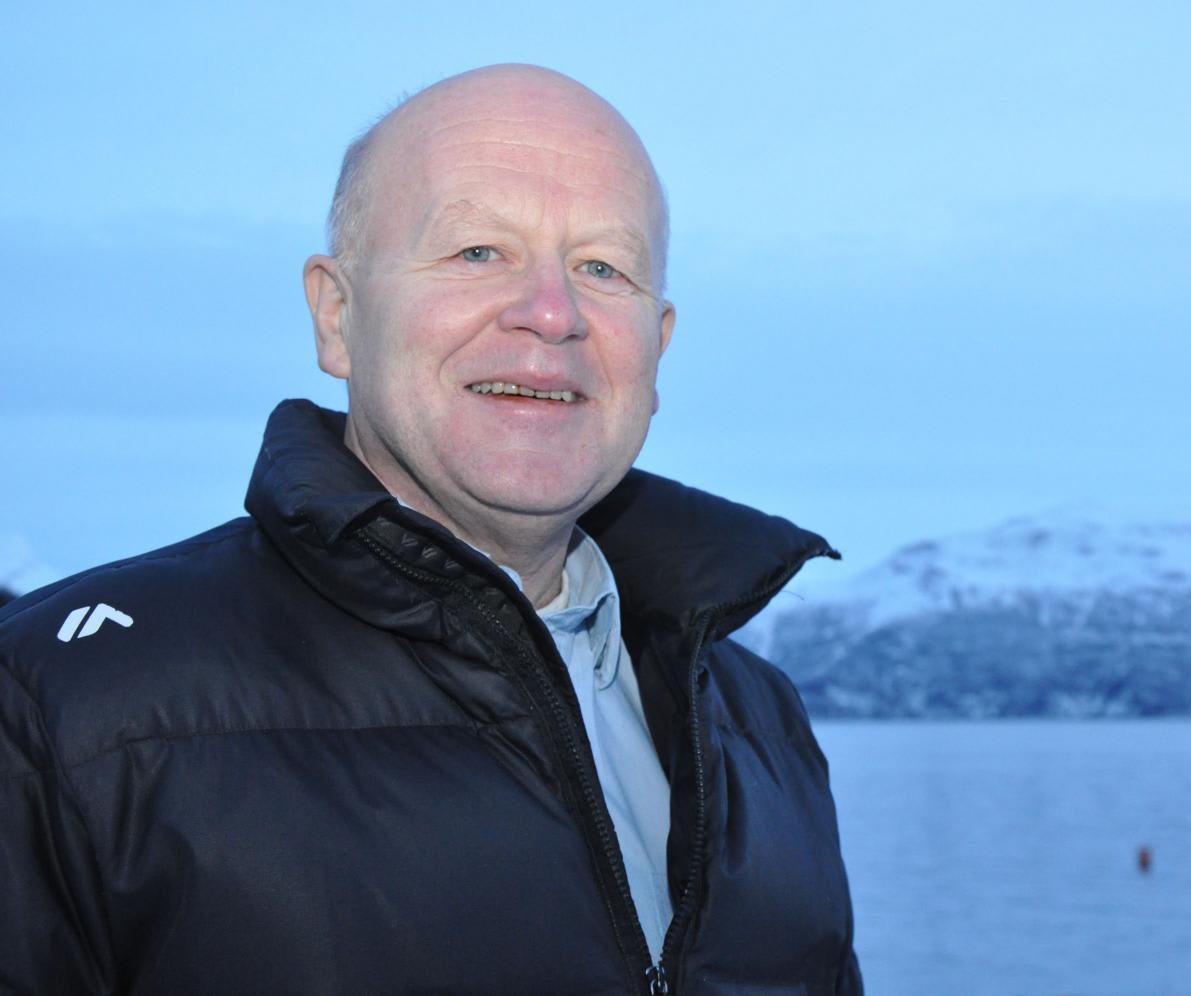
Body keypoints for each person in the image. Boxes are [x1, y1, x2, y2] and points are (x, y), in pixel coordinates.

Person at [0, 65, 860, 994]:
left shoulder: (761, 725)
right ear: (337, 316)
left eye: (602, 268)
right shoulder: (65, 706)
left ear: (658, 344)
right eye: (477, 251)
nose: (553, 314)